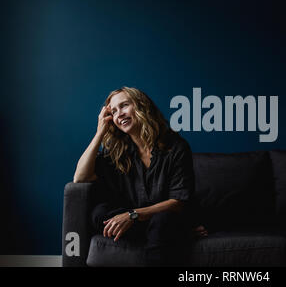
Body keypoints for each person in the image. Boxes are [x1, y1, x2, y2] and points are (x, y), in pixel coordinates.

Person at [73, 86, 207, 266]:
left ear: (142, 106)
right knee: (99, 213)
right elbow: (80, 177)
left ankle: (169, 230)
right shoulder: (116, 150)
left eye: (124, 105)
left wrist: (133, 215)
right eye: (113, 111)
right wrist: (99, 133)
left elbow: (178, 201)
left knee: (162, 220)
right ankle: (179, 233)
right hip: (142, 223)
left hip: (163, 217)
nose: (119, 114)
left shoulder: (176, 147)